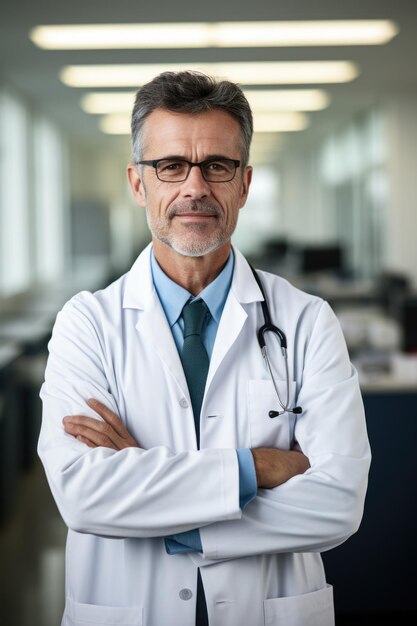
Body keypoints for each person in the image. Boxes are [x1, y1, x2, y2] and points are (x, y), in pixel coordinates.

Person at [38, 70, 371, 626]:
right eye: (171, 166)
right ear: (139, 183)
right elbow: (83, 495)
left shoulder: (307, 321)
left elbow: (338, 503)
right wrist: (253, 469)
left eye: (217, 166)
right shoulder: (87, 323)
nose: (195, 187)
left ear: (243, 183)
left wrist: (152, 492)